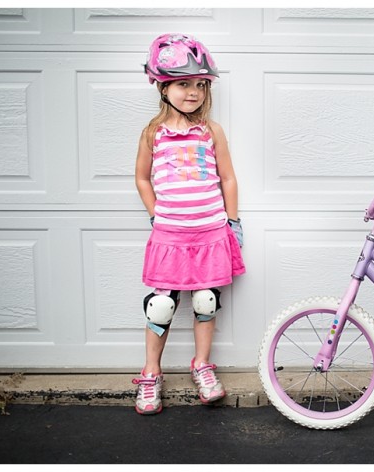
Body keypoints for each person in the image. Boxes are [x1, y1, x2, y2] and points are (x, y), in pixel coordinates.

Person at [132, 33, 245, 415]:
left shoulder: (211, 131)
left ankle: (202, 365)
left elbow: (227, 177)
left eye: (200, 84)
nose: (193, 92)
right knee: (160, 306)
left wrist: (233, 221)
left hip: (210, 231)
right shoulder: (153, 133)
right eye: (183, 84)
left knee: (205, 300)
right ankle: (151, 372)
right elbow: (142, 178)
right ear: (162, 87)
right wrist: (154, 213)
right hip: (170, 233)